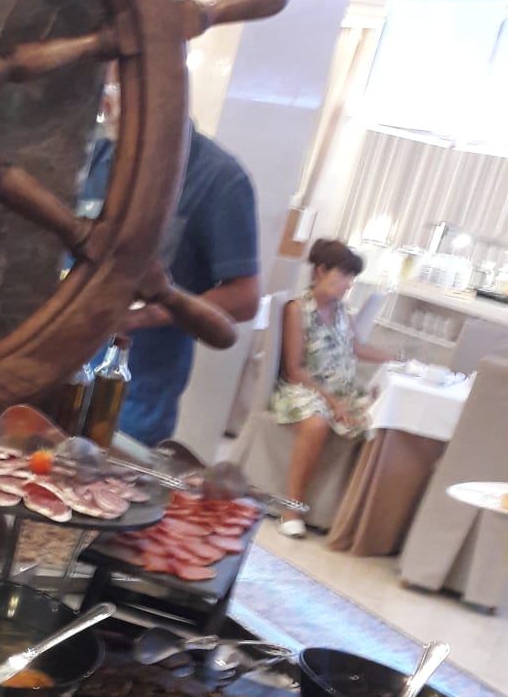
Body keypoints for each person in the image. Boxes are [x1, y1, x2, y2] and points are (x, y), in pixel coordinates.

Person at [80, 106, 261, 446]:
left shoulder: (219, 178)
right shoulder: (97, 154)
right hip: (60, 371)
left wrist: (142, 316)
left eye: (117, 89)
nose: (106, 105)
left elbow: (245, 298)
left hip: (134, 399)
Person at [272, 237, 392, 538]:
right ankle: (291, 510)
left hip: (341, 390)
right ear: (321, 270)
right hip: (304, 388)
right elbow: (294, 369)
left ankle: (354, 519)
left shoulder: (341, 310)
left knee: (384, 420)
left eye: (352, 277)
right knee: (316, 424)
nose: (349, 284)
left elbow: (357, 348)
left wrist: (399, 358)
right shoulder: (297, 309)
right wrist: (331, 401)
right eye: (344, 275)